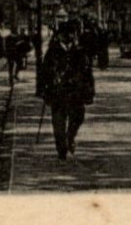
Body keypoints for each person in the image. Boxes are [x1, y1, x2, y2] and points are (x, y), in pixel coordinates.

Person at [40, 20, 94, 159]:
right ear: (60, 35)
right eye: (66, 34)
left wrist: (90, 91)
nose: (69, 36)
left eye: (71, 33)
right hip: (58, 92)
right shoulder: (53, 51)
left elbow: (88, 72)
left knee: (78, 117)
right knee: (58, 122)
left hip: (76, 92)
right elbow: (45, 72)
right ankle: (61, 148)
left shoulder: (80, 51)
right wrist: (44, 90)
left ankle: (70, 137)